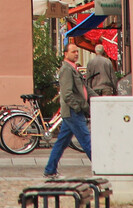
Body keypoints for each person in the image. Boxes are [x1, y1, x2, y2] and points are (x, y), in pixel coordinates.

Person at [43, 41, 93, 180]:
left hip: (73, 111)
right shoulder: (66, 69)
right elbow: (66, 94)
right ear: (66, 54)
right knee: (86, 140)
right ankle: (102, 167)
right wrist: (78, 107)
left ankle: (50, 169)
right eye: (73, 52)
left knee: (61, 142)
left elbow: (84, 88)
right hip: (73, 112)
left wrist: (98, 98)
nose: (76, 54)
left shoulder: (73, 68)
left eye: (77, 51)